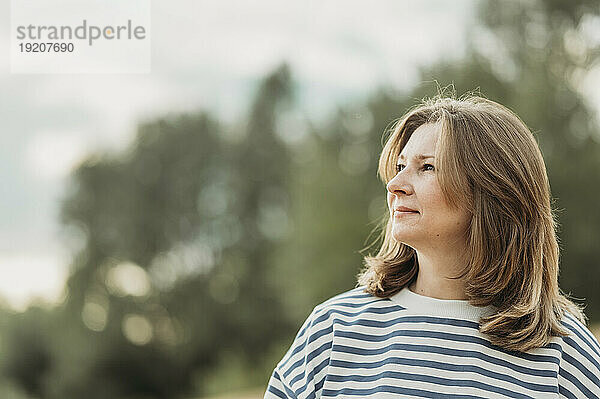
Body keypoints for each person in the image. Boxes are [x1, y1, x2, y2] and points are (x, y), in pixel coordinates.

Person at [263, 94, 600, 398]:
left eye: (426, 167)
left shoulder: (565, 353)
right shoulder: (333, 331)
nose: (395, 185)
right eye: (399, 167)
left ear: (492, 193)